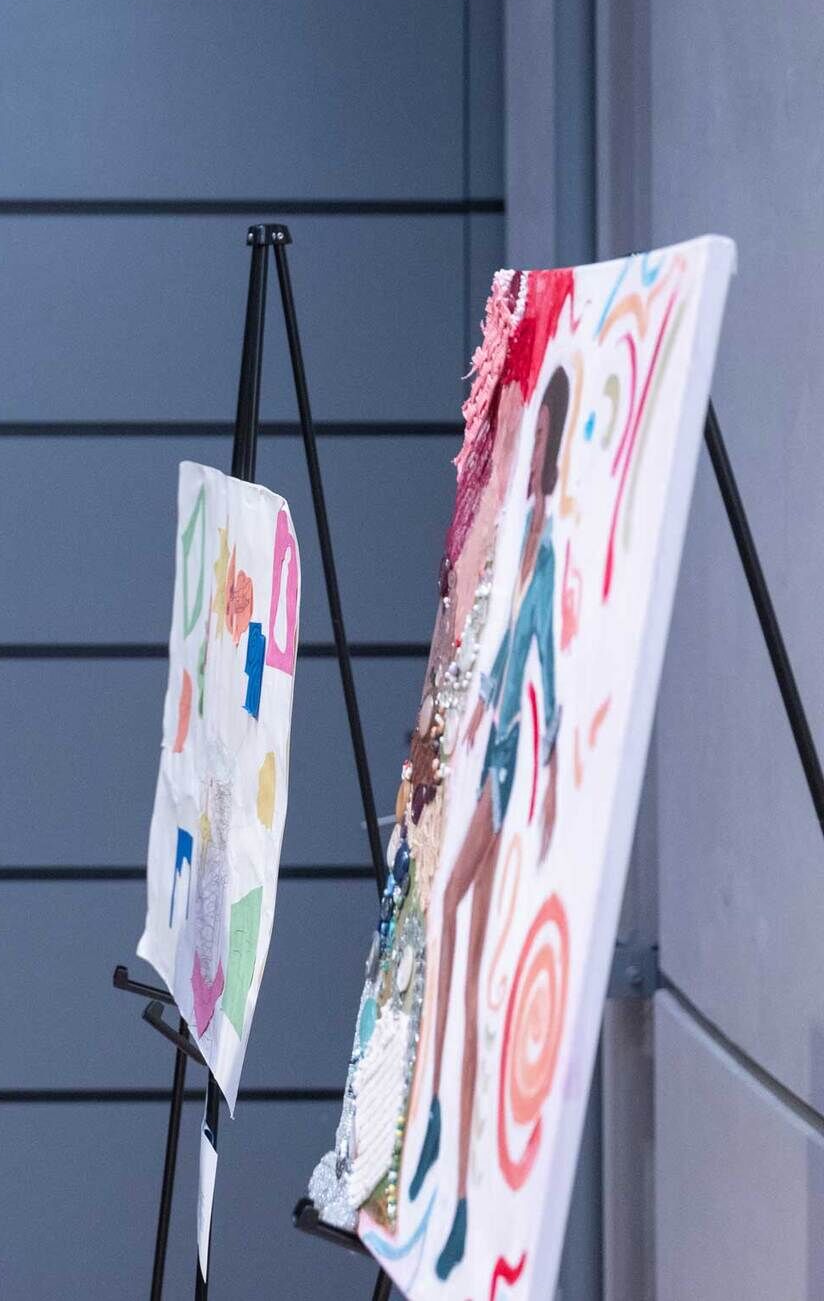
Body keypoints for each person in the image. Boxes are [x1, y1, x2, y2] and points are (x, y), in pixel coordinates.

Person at [412, 368, 569, 1280]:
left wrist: (538, 782)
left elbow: (542, 654)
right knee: (453, 940)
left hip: (512, 773)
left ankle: (462, 1187)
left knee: (468, 954)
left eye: (537, 440)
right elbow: (509, 649)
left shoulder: (547, 551)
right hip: (494, 755)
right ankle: (439, 1135)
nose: (530, 453)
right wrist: (470, 713)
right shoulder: (523, 537)